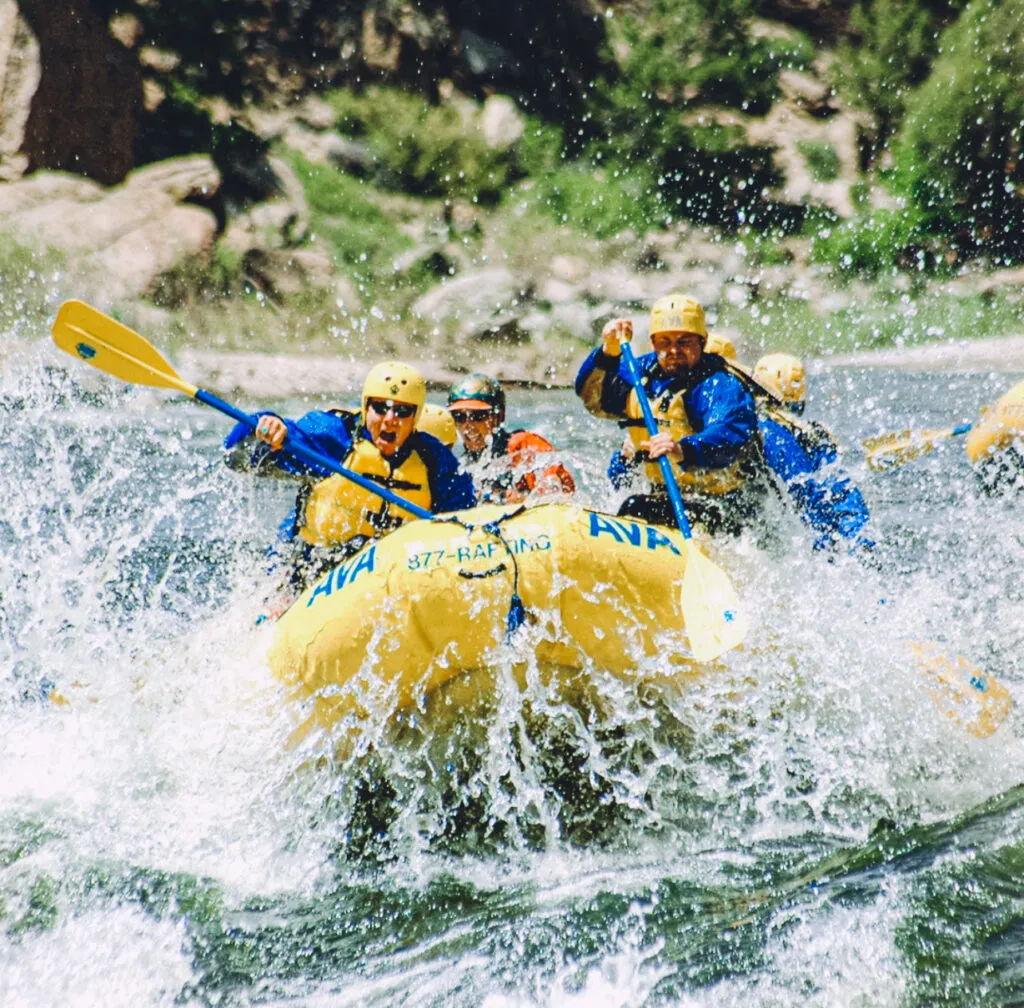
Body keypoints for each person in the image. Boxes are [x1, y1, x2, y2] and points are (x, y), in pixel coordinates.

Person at [225, 361, 476, 590]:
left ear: (415, 417)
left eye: (402, 411)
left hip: (390, 574)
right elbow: (235, 454)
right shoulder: (335, 436)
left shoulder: (434, 460)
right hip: (310, 566)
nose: (390, 420)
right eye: (380, 407)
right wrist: (264, 424)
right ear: (366, 407)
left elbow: (465, 520)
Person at [578, 293, 771, 535]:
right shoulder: (642, 371)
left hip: (724, 505)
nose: (673, 350)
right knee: (632, 505)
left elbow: (728, 433)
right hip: (666, 496)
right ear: (652, 343)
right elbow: (594, 397)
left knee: (635, 508)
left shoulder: (717, 384)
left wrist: (682, 448)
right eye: (665, 341)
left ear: (702, 342)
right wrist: (608, 352)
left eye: (684, 342)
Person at [751, 352, 874, 555]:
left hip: (795, 531)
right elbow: (838, 492)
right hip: (823, 532)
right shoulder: (811, 435)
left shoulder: (758, 429)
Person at [447, 373, 576, 503]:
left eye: (478, 416)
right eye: (459, 416)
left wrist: (523, 499)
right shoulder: (462, 466)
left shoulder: (525, 447)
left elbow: (561, 495)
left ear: (499, 416)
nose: (468, 426)